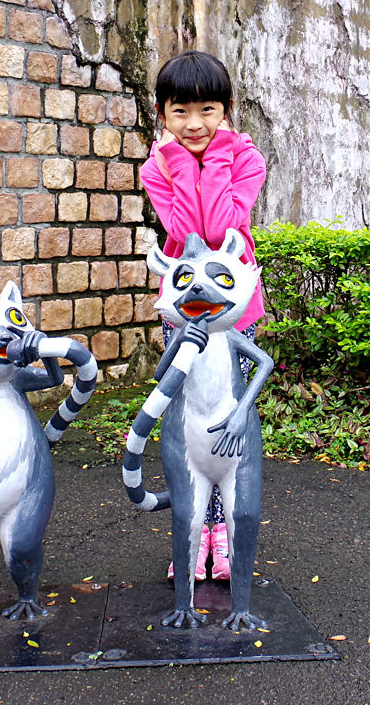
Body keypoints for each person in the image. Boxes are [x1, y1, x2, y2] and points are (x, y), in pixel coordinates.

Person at [139, 50, 266, 582]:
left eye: (208, 111)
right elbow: (191, 231)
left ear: (227, 110)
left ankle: (224, 533)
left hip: (236, 311)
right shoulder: (156, 167)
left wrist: (214, 157)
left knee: (226, 424)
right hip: (185, 306)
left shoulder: (248, 160)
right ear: (162, 114)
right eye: (181, 112)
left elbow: (220, 229)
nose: (195, 124)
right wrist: (180, 163)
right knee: (189, 423)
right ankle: (195, 532)